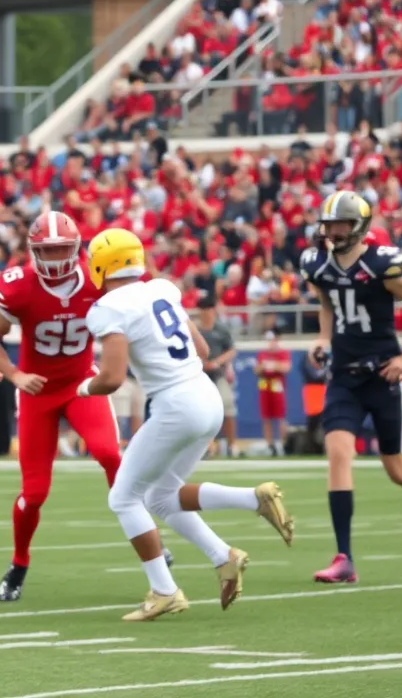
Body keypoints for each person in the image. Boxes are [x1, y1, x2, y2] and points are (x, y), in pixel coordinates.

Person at [79, 228, 294, 621]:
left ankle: (164, 589)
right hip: (205, 395)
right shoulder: (162, 289)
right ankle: (230, 542)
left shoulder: (109, 308)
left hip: (176, 405)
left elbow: (110, 378)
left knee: (123, 498)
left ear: (99, 266)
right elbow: (204, 349)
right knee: (161, 496)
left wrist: (82, 387)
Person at [301, 191, 402, 584]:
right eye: (329, 224)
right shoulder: (318, 263)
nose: (333, 231)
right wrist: (324, 339)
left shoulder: (381, 264)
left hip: (382, 376)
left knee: (397, 468)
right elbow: (328, 301)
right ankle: (344, 558)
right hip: (343, 376)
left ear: (358, 225)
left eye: (340, 224)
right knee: (338, 453)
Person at [0, 210, 122, 603]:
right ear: (33, 252)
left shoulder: (98, 280)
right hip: (37, 392)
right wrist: (15, 375)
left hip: (82, 385)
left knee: (111, 455)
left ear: (77, 250)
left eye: (62, 250)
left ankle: (145, 535)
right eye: (48, 251)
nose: (56, 259)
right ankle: (19, 562)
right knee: (35, 492)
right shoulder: (19, 286)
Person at [196, 296, 240, 457]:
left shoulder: (221, 329)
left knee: (228, 406)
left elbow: (231, 350)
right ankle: (205, 446)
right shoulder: (196, 329)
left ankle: (232, 445)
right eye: (203, 310)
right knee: (201, 412)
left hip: (218, 374)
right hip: (199, 376)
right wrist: (200, 363)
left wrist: (216, 362)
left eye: (208, 309)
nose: (206, 313)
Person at [255, 331, 291, 456]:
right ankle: (269, 444)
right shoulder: (262, 354)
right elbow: (257, 370)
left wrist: (274, 365)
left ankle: (282, 443)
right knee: (266, 417)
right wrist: (263, 367)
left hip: (277, 386)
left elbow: (286, 367)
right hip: (265, 386)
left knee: (280, 416)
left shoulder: (283, 353)